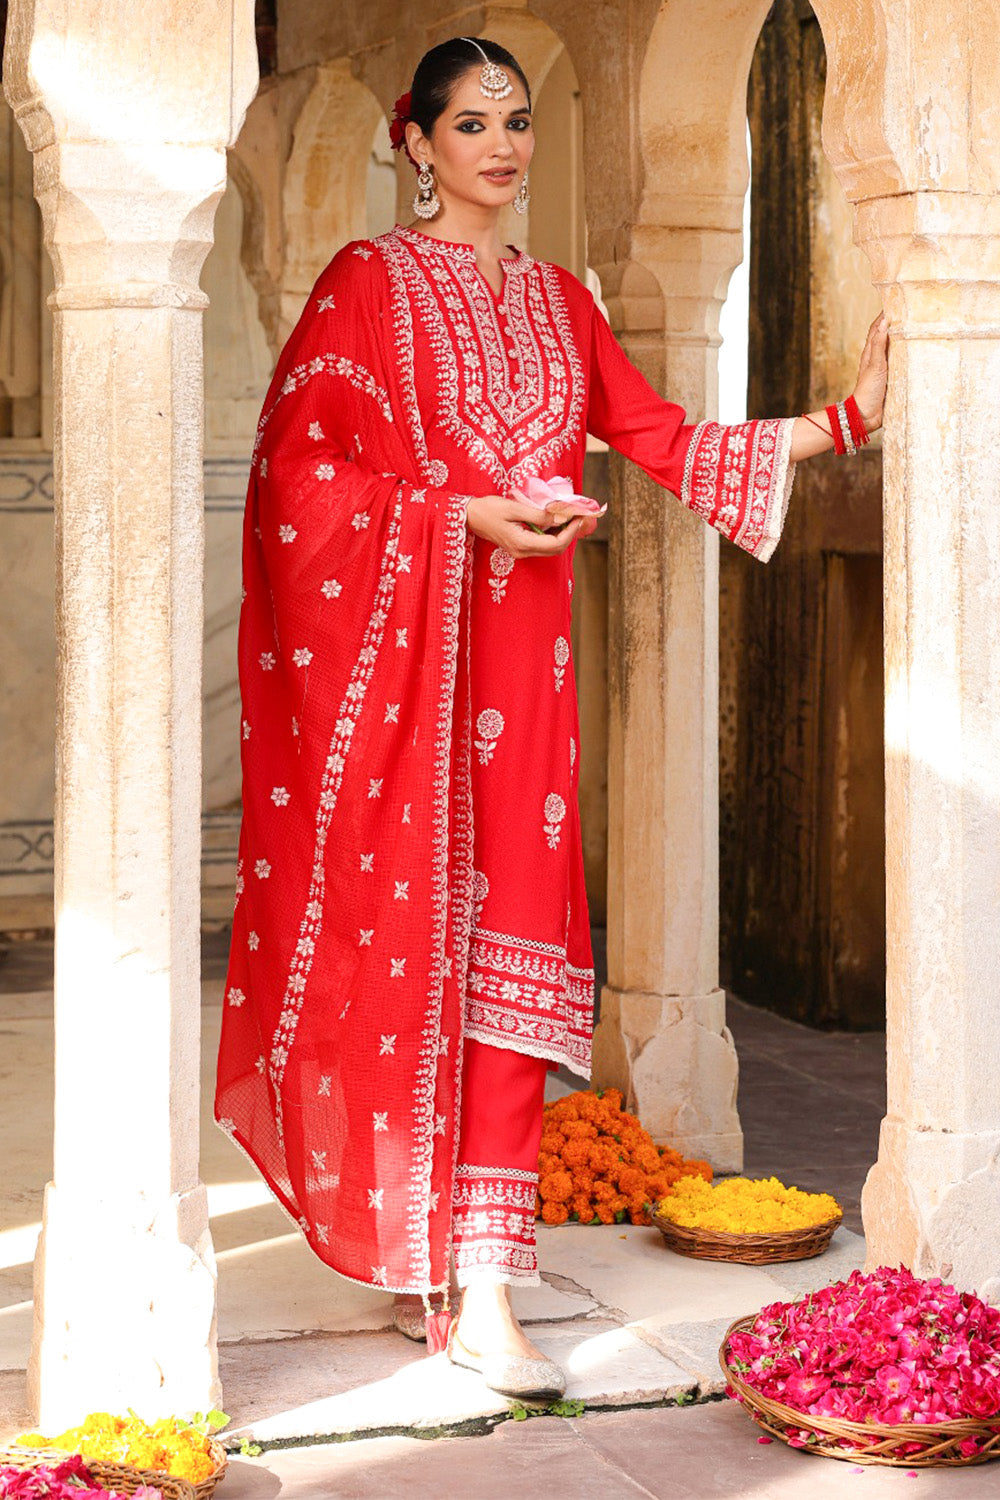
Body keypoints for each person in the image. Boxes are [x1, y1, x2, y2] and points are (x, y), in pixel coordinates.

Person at [215, 35, 889, 1401]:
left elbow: (663, 442)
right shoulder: (367, 286)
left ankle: (487, 1295)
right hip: (402, 691)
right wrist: (454, 513)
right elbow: (299, 476)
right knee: (408, 951)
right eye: (473, 124)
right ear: (417, 145)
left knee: (518, 967)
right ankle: (426, 1259)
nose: (504, 146)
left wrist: (849, 415)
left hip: (524, 691)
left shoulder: (564, 304)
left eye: (518, 121)